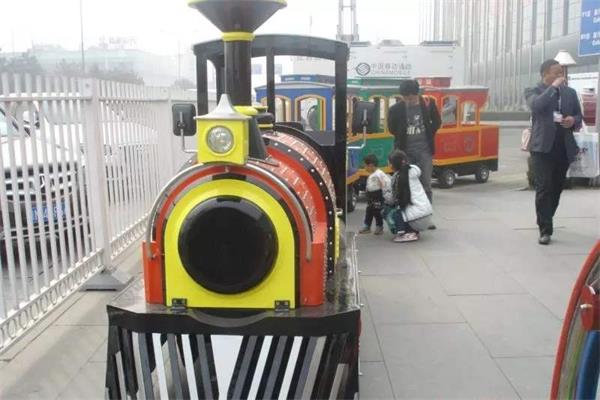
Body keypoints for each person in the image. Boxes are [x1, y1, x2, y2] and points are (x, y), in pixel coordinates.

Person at [525, 59, 582, 245]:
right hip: (542, 148)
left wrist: (573, 120)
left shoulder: (570, 93)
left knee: (557, 188)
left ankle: (546, 217)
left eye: (561, 73)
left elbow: (579, 115)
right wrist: (553, 88)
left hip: (563, 147)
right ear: (545, 74)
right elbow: (537, 106)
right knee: (544, 187)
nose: (560, 76)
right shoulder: (533, 91)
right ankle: (545, 229)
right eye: (556, 73)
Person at [387, 79, 441, 229]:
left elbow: (437, 122)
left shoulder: (428, 104)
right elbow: (391, 128)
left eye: (411, 98)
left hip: (424, 151)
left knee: (426, 184)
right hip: (405, 152)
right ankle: (409, 217)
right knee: (405, 184)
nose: (408, 101)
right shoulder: (396, 109)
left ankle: (427, 217)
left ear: (417, 94)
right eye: (405, 98)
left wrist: (428, 133)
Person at [384, 149, 432, 243]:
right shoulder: (412, 171)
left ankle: (407, 232)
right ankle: (413, 231)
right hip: (426, 215)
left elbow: (392, 200)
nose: (388, 164)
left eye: (389, 163)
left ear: (394, 164)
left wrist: (384, 189)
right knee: (403, 206)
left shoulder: (398, 177)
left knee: (389, 210)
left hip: (417, 219)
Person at [359, 154, 391, 235]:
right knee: (369, 210)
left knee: (377, 211)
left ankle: (379, 226)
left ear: (371, 165)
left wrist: (385, 194)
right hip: (371, 196)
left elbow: (386, 183)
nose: (365, 168)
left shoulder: (379, 174)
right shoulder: (372, 174)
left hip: (378, 195)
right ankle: (367, 226)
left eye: (365, 166)